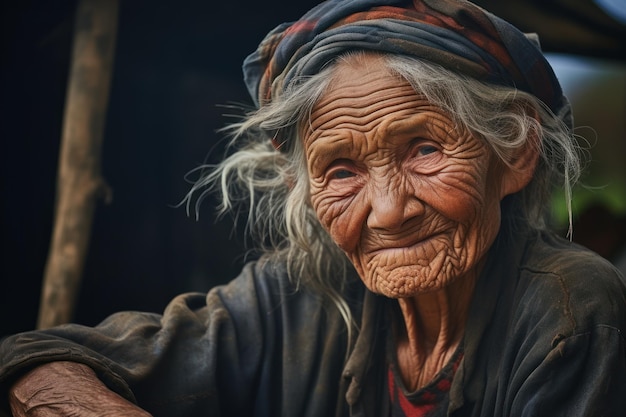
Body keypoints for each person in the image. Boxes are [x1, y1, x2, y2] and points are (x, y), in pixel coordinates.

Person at [2, 0, 625, 416]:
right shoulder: (297, 293)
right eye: (342, 170)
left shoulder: (570, 311)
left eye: (425, 149)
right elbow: (36, 357)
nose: (386, 211)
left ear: (512, 154)